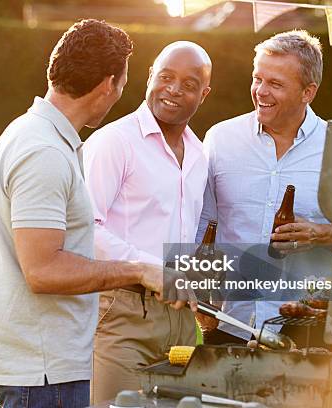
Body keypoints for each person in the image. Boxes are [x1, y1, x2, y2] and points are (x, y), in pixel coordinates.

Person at [0, 20, 195, 408]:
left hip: (37, 363)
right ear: (108, 85)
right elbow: (44, 270)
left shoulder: (37, 135)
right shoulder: (44, 152)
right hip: (42, 370)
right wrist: (139, 270)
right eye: (121, 85)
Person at [195, 30, 332, 345]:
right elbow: (202, 228)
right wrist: (199, 291)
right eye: (257, 79)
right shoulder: (221, 139)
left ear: (308, 92)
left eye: (275, 84)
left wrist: (324, 233)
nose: (261, 92)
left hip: (307, 332)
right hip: (229, 326)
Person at [83, 41, 212, 403]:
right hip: (123, 314)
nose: (174, 89)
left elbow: (190, 232)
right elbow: (84, 229)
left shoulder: (201, 154)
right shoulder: (113, 142)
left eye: (189, 84)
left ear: (204, 93)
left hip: (183, 322)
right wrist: (150, 269)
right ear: (150, 77)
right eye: (166, 77)